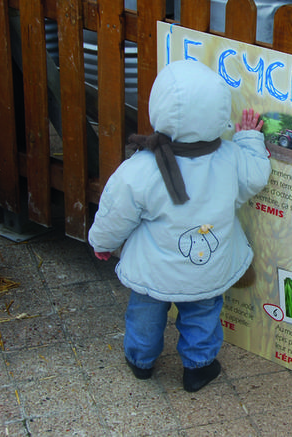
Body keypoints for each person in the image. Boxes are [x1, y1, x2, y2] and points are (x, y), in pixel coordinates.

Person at [88, 59, 271, 392]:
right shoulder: (229, 157)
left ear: (158, 107)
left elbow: (116, 211)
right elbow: (256, 175)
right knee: (203, 314)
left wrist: (102, 242)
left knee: (144, 314)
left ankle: (141, 360)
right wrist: (248, 140)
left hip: (152, 272)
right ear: (219, 112)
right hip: (208, 269)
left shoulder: (141, 168)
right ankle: (198, 367)